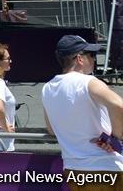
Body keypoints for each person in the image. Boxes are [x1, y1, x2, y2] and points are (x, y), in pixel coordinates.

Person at [42, 35, 123, 189]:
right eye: (91, 55)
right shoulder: (89, 83)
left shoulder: (47, 88)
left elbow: (51, 129)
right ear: (79, 58)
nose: (94, 60)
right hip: (105, 168)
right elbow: (118, 105)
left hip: (73, 169)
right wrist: (116, 136)